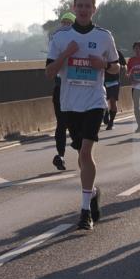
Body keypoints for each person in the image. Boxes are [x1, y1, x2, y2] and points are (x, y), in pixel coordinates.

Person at [45, 0, 119, 230]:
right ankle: (93, 191)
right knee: (80, 154)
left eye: (89, 6)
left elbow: (117, 69)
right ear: (74, 8)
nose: (84, 9)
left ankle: (85, 211)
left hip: (95, 101)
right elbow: (48, 73)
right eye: (80, 6)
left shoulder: (104, 36)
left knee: (86, 152)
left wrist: (104, 65)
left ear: (94, 9)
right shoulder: (61, 37)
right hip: (69, 104)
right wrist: (67, 54)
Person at [48, 12, 75, 170]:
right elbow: (49, 67)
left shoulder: (81, 40)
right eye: (63, 22)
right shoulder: (56, 40)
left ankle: (82, 154)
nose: (65, 25)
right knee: (61, 124)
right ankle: (61, 155)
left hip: (78, 90)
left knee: (74, 125)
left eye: (68, 22)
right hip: (60, 88)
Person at [103, 50, 126, 130]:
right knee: (102, 101)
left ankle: (111, 122)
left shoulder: (117, 53)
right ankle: (105, 113)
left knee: (112, 102)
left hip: (114, 81)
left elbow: (124, 65)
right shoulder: (99, 51)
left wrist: (121, 76)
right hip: (101, 81)